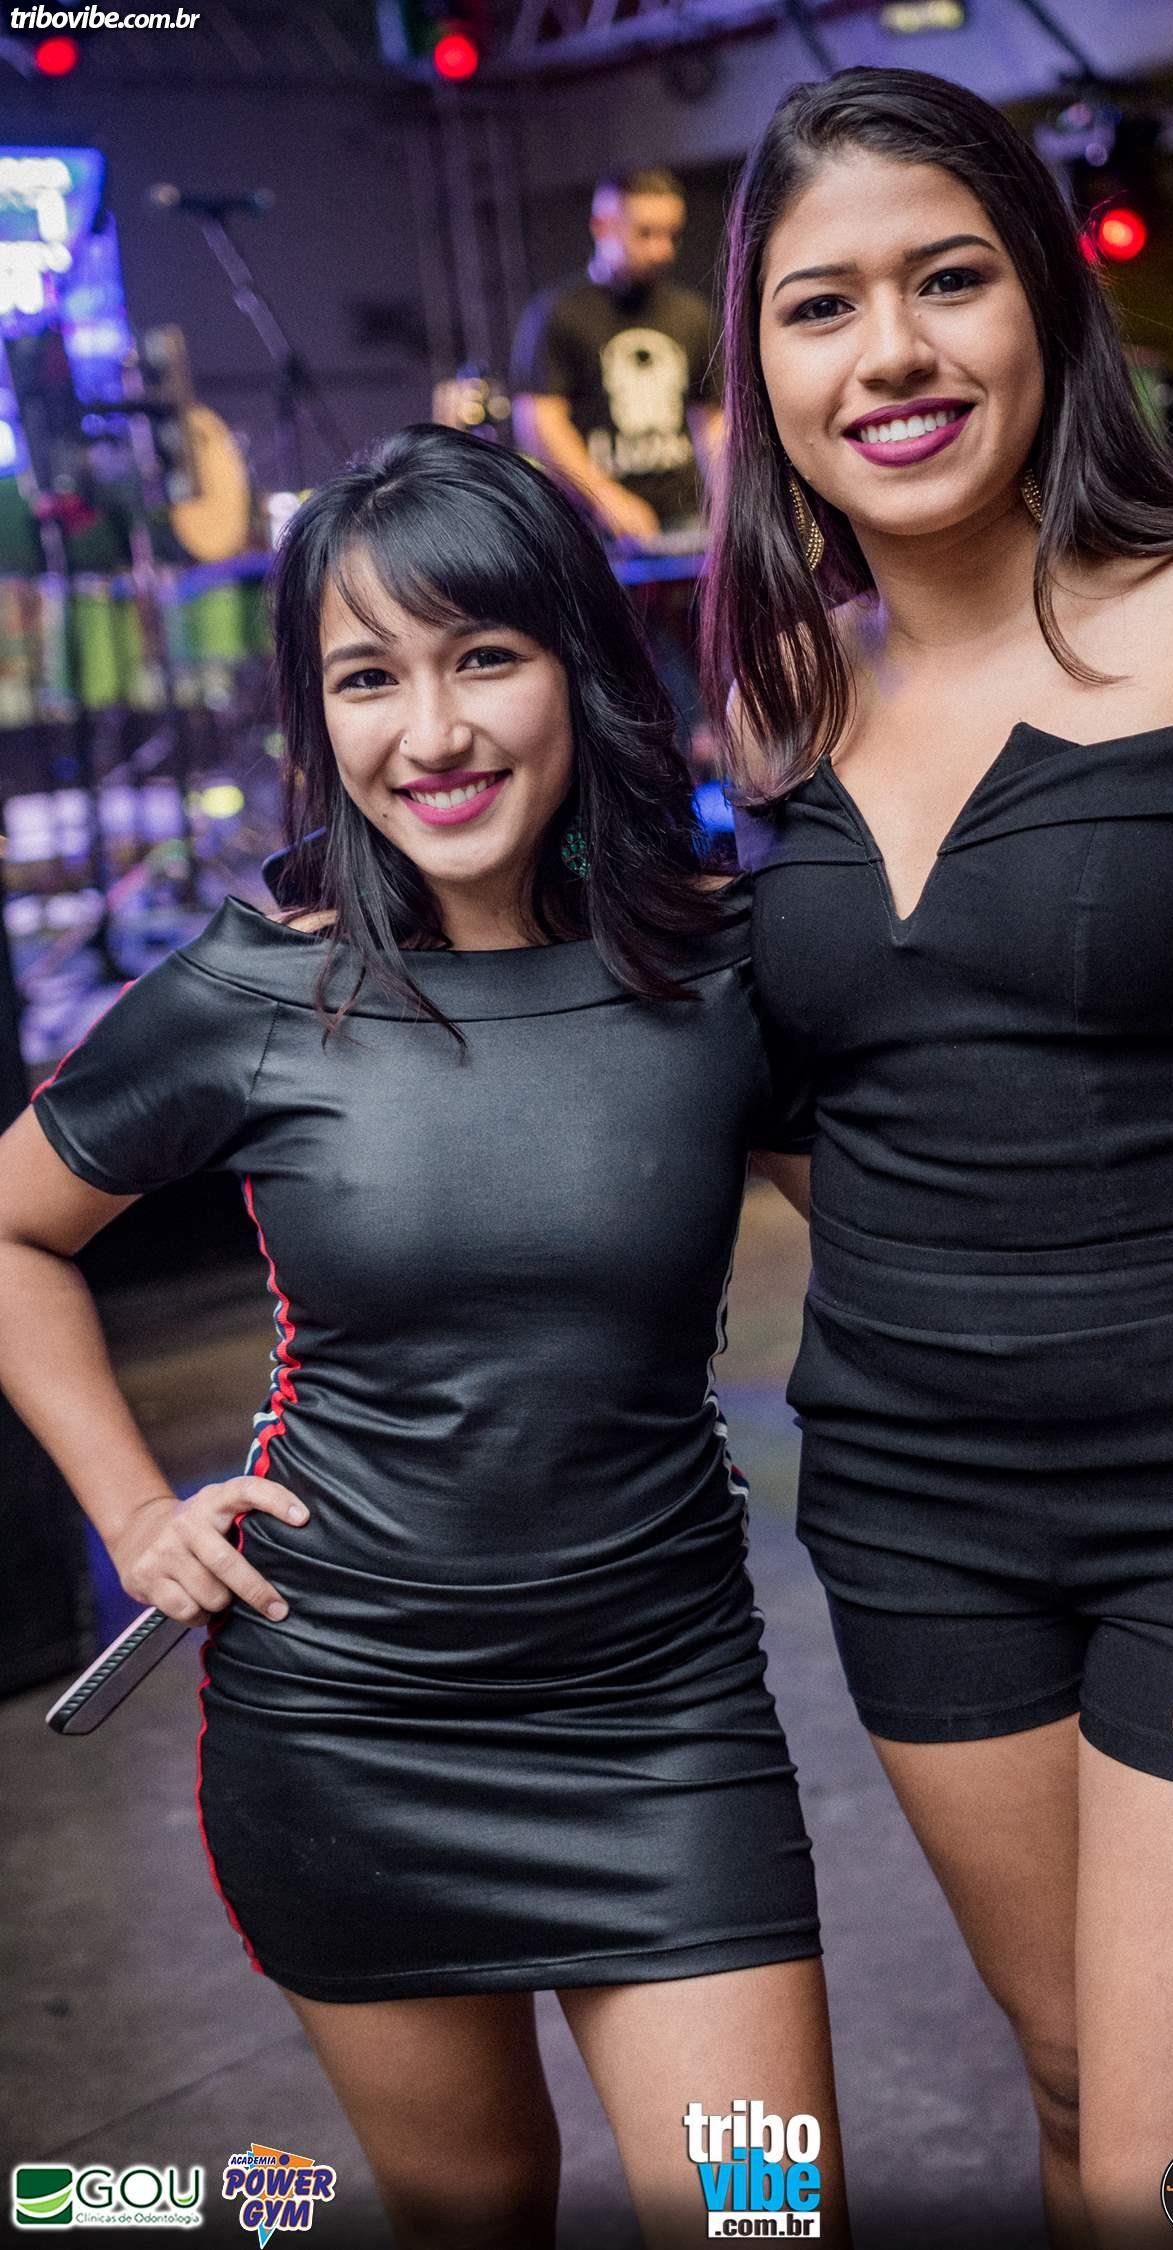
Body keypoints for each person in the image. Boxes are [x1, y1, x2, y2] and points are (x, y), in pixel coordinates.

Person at [702, 67, 1173, 2246]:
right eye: (822, 306)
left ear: (1045, 299)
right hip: (910, 1506)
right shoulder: (783, 693)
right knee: (1064, 2081)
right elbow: (826, 1097)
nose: (892, 354)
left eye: (947, 280)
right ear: (763, 368)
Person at [0, 427, 846, 2250]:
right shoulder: (255, 987)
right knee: (478, 2215)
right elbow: (12, 1229)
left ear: (576, 666)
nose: (433, 732)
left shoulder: (712, 968)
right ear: (318, 717)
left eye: (484, 657)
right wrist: (135, 1513)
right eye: (368, 678)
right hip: (351, 1731)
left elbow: (910, 1212)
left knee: (768, 2215)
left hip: (663, 1721)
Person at [511, 168, 723, 547]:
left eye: (671, 234)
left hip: (685, 520)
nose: (662, 250)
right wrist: (605, 497)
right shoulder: (558, 314)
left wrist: (728, 502)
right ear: (602, 227)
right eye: (645, 233)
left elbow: (713, 421)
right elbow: (539, 422)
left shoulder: (692, 315)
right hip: (593, 530)